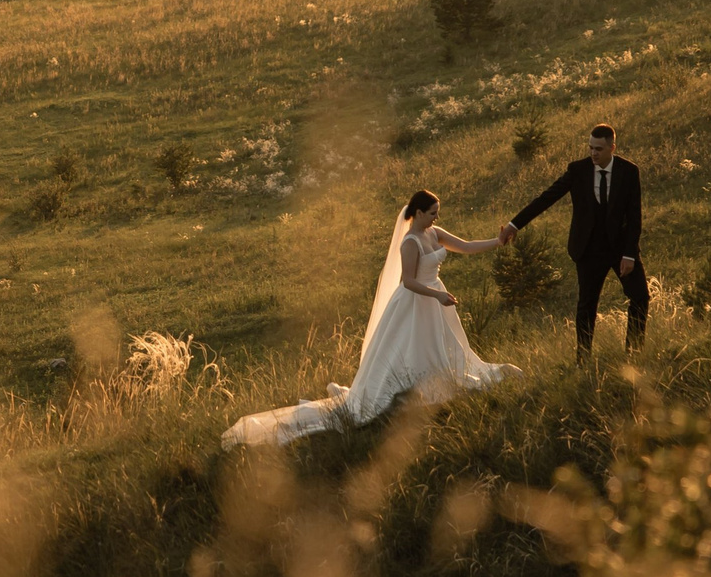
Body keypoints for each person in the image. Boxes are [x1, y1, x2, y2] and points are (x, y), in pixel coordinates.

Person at [221, 189, 516, 448]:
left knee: (440, 345)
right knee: (412, 348)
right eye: (432, 213)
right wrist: (436, 295)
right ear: (417, 213)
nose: (437, 218)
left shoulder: (434, 233)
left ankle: (438, 386)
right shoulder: (410, 242)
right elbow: (409, 282)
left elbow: (466, 246)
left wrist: (498, 241)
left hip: (435, 298)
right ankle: (408, 394)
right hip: (417, 300)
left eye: (437, 213)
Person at [501, 122, 645, 359]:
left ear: (612, 147)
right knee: (587, 305)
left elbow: (634, 215)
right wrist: (514, 225)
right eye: (590, 148)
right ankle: (583, 358)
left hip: (621, 249)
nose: (593, 153)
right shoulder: (578, 170)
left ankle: (634, 353)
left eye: (598, 149)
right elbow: (547, 197)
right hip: (588, 249)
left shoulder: (628, 171)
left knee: (640, 297)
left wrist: (629, 254)